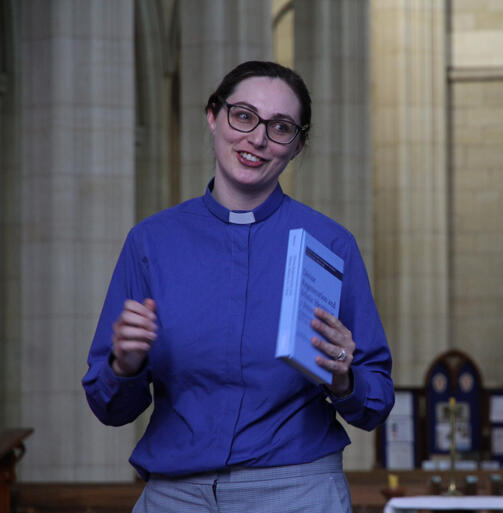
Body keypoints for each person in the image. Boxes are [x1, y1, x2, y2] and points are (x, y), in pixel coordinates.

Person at [82, 61, 394, 513]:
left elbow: (376, 403)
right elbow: (109, 408)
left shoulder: (330, 245)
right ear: (213, 116)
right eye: (243, 116)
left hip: (297, 492)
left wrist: (343, 376)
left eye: (280, 127)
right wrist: (125, 365)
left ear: (298, 144)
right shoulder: (151, 242)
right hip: (175, 495)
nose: (258, 138)